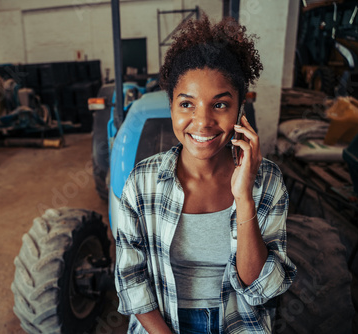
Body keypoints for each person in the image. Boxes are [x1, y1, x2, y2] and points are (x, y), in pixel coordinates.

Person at [114, 16, 297, 334]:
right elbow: (131, 280)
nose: (202, 122)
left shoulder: (267, 182)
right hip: (162, 326)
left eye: (220, 105)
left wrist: (244, 198)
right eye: (187, 104)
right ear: (171, 105)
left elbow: (260, 287)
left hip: (240, 324)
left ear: (240, 109)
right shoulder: (141, 184)